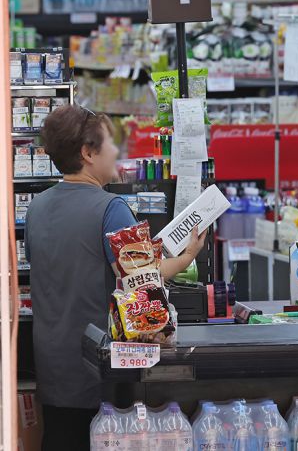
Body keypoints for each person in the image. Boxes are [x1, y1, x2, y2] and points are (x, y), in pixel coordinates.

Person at [25, 105, 206, 450]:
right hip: (98, 372)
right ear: (88, 153)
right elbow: (142, 282)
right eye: (110, 144)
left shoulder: (37, 207)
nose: (116, 153)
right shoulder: (111, 208)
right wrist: (185, 258)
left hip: (51, 369)